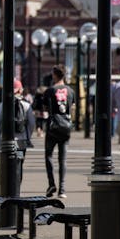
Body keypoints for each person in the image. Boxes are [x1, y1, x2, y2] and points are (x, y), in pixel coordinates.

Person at [43, 66, 75, 198]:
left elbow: (45, 108)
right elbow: (72, 107)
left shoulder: (50, 91)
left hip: (53, 127)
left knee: (49, 156)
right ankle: (62, 189)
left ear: (55, 75)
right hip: (66, 127)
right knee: (63, 159)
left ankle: (52, 184)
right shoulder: (70, 91)